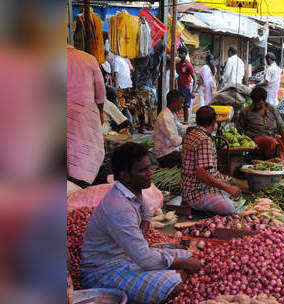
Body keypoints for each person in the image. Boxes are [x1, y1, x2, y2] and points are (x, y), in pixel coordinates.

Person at [80, 143, 202, 304]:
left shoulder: (133, 192)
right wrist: (180, 263)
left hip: (126, 258)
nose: (150, 173)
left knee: (188, 255)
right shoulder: (119, 207)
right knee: (173, 285)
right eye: (143, 170)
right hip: (104, 271)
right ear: (125, 175)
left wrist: (139, 239)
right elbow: (144, 259)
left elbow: (146, 215)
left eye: (149, 167)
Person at [181, 106, 243, 215]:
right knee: (228, 207)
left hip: (188, 190)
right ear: (214, 122)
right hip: (197, 193)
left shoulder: (191, 134)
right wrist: (227, 188)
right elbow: (202, 174)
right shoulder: (204, 140)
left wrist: (225, 182)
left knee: (232, 184)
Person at [67, 44, 105, 188]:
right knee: (85, 154)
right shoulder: (88, 59)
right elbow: (100, 94)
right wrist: (100, 112)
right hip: (85, 115)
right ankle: (82, 187)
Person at [238, 86, 284, 169]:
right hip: (255, 140)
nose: (257, 106)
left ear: (264, 101)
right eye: (255, 103)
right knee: (270, 142)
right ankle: (276, 167)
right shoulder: (245, 111)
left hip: (273, 138)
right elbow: (239, 130)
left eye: (260, 104)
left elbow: (282, 127)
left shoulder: (272, 110)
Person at [153, 90, 184, 168]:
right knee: (190, 158)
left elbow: (180, 128)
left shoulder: (171, 113)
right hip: (165, 154)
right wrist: (186, 139)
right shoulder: (165, 117)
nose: (182, 105)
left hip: (170, 150)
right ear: (174, 102)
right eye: (181, 102)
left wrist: (191, 129)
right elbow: (175, 141)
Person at [175, 46, 197, 123]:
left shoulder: (188, 65)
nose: (180, 55)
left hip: (186, 88)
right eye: (179, 53)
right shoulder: (177, 64)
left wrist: (193, 91)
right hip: (179, 88)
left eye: (181, 53)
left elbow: (195, 79)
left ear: (185, 54)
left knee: (185, 106)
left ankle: (186, 122)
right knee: (177, 105)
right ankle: (176, 122)